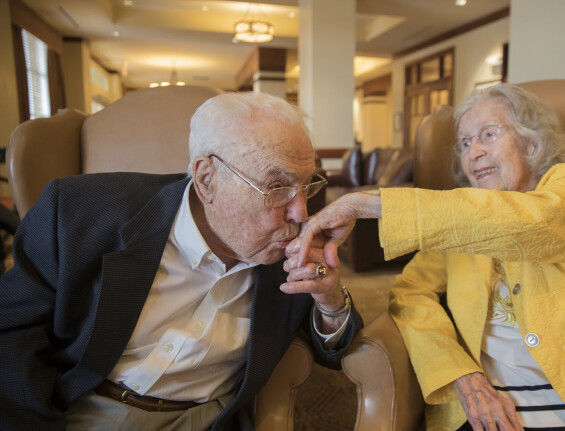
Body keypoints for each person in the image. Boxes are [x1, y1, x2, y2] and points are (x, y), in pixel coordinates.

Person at [288, 84, 565, 430]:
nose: (473, 152)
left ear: (531, 142)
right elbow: (410, 295)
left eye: (488, 135)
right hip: (489, 414)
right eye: (464, 143)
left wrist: (366, 203)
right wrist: (460, 374)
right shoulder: (454, 224)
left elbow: (533, 222)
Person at [0, 91, 362, 431]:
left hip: (207, 419)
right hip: (85, 406)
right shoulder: (78, 213)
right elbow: (13, 332)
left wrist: (330, 304)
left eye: (307, 184)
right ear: (206, 180)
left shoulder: (293, 240)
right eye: (277, 187)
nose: (300, 211)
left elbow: (334, 353)